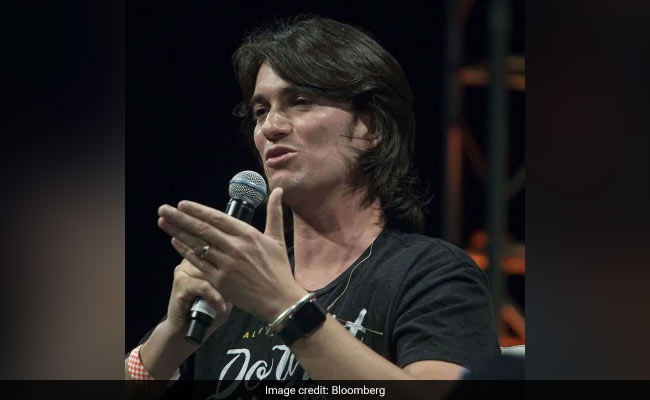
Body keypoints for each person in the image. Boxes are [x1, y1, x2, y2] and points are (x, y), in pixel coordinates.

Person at [126, 15, 500, 393]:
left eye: (300, 102)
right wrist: (173, 335)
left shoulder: (431, 274)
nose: (271, 126)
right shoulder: (234, 282)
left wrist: (283, 305)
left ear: (370, 127)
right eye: (260, 111)